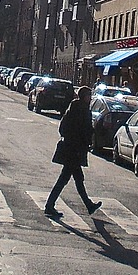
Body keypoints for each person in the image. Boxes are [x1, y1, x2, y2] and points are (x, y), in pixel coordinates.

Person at [44, 86, 101, 220]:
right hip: (75, 150)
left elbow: (63, 128)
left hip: (72, 148)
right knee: (67, 179)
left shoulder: (73, 108)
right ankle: (49, 206)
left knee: (76, 178)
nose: (90, 98)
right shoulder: (82, 111)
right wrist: (86, 140)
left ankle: (88, 205)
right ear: (84, 97)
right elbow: (85, 130)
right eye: (89, 96)